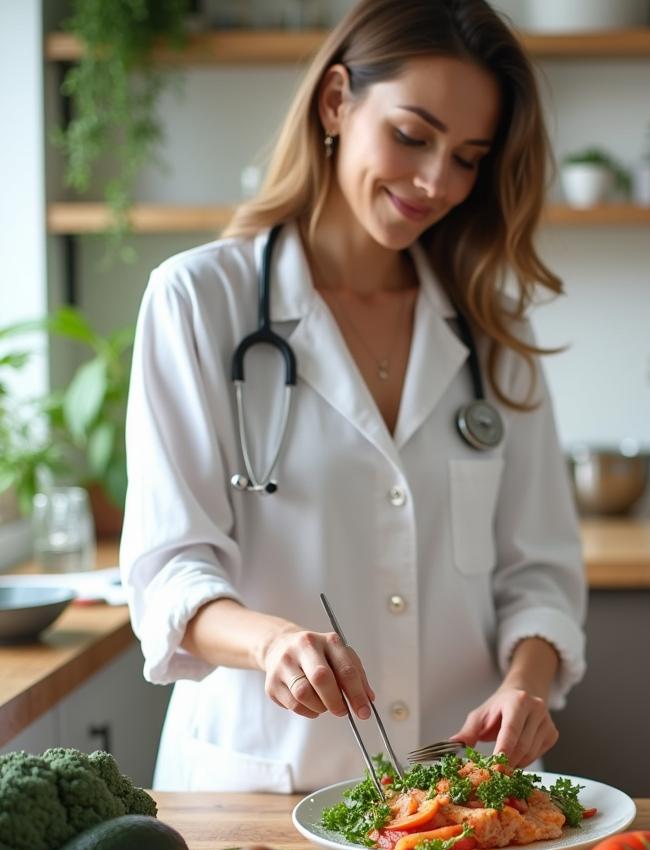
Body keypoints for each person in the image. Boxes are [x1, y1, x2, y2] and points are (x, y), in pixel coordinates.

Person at [120, 0, 586, 793]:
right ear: (337, 101)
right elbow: (170, 570)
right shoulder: (198, 301)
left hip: (465, 795)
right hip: (261, 789)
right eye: (412, 136)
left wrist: (526, 684)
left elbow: (538, 573)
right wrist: (271, 643)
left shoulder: (491, 335)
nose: (437, 181)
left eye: (469, 157)